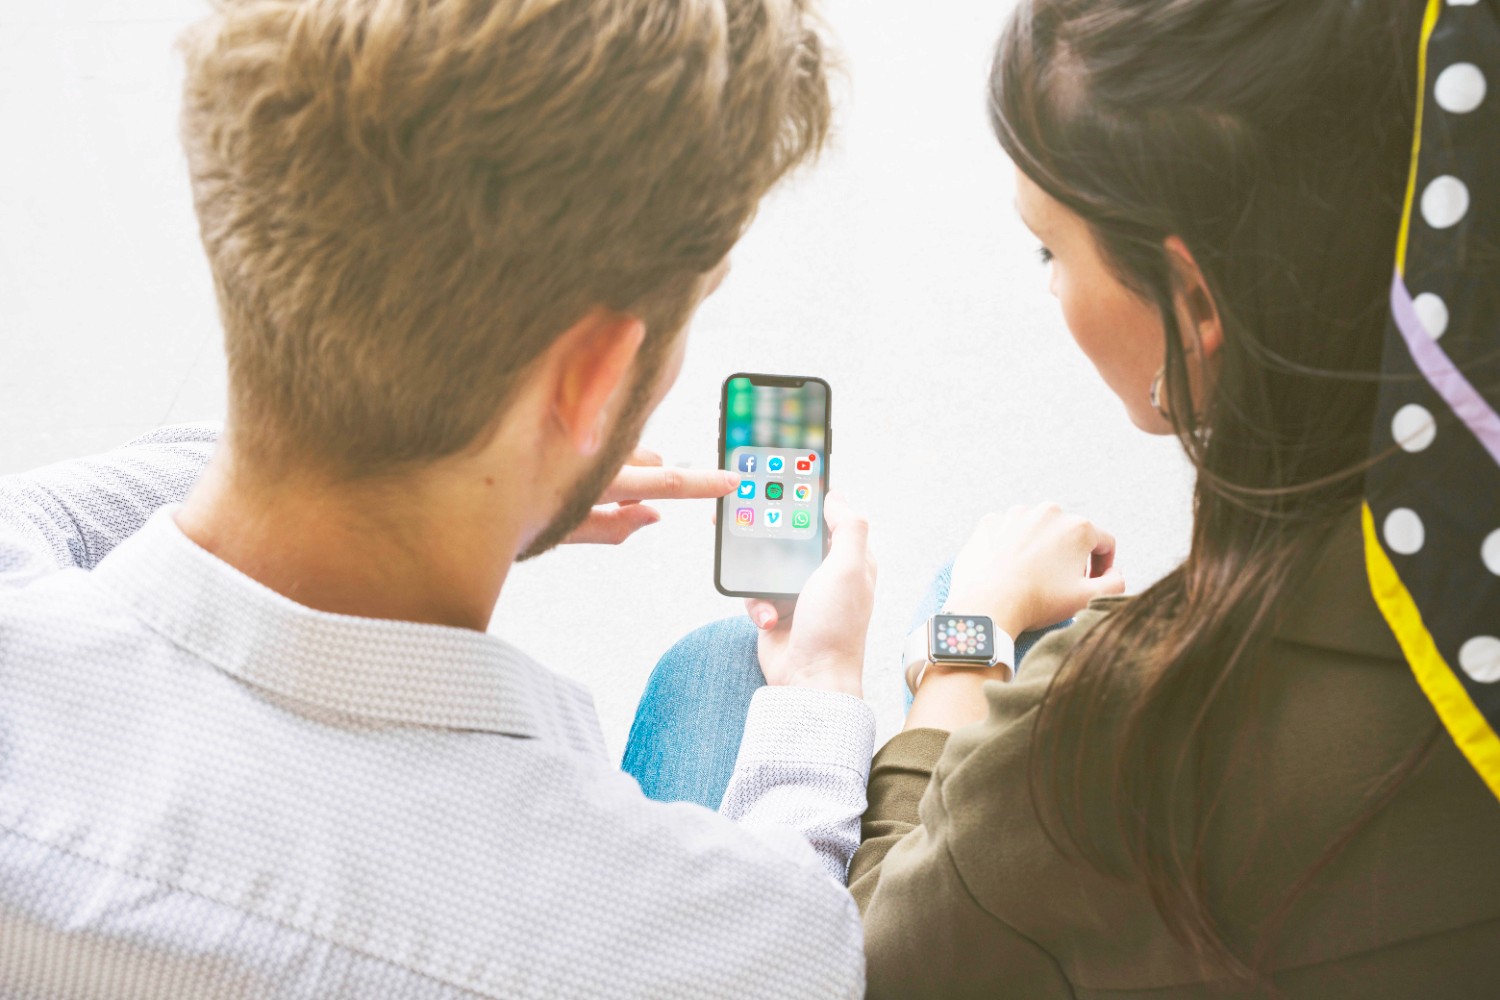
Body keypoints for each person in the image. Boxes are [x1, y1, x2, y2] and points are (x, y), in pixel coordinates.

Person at [0, 1, 882, 997]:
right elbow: (796, 938)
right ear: (592, 383)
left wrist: (459, 455)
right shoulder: (709, 946)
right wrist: (814, 702)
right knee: (727, 666)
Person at [632, 0, 1500, 996]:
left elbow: (858, 957)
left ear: (1195, 302)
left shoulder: (1116, 725)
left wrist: (950, 638)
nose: (1050, 290)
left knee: (719, 667)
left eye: (1052, 251)